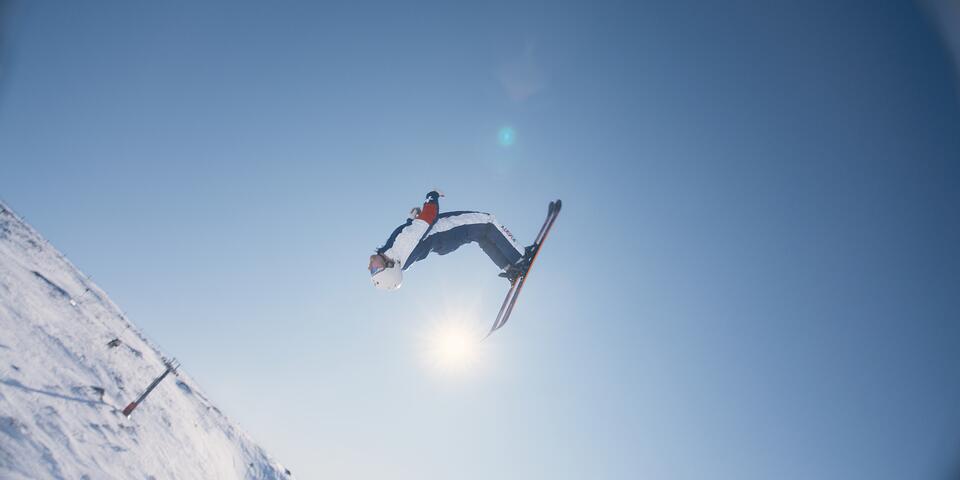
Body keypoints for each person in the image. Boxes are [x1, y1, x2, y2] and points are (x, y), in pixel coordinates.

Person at [368, 190, 534, 290]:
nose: (370, 265)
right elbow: (428, 218)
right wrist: (432, 196)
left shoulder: (393, 253)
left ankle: (509, 267)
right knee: (488, 222)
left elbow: (414, 232)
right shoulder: (402, 248)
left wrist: (413, 219)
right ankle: (520, 258)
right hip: (447, 230)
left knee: (482, 236)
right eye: (375, 269)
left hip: (443, 242)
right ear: (389, 268)